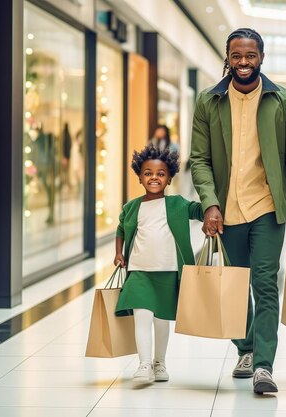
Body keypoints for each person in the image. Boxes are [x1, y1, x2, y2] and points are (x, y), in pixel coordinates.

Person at [190, 27, 286, 394]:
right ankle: (245, 347)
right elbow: (199, 159)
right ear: (228, 57)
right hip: (226, 210)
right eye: (237, 56)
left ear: (261, 57)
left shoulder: (282, 99)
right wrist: (210, 202)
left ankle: (263, 366)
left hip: (268, 209)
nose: (243, 62)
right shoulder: (209, 101)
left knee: (265, 283)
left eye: (250, 55)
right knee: (237, 286)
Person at [113, 145, 203, 384]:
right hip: (140, 271)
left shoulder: (178, 204)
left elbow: (199, 211)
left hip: (168, 271)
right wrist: (119, 253)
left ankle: (159, 362)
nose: (154, 177)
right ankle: (144, 363)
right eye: (148, 173)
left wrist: (213, 205)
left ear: (170, 178)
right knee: (141, 315)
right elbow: (121, 228)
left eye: (160, 174)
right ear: (140, 177)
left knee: (162, 320)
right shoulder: (132, 207)